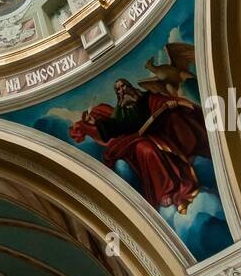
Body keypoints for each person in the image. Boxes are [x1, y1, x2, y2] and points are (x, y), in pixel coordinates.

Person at [71, 78, 211, 211]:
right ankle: (166, 191)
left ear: (130, 86)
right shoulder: (119, 112)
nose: (122, 91)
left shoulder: (147, 98)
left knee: (174, 120)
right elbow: (110, 129)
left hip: (157, 133)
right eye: (118, 89)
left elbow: (163, 102)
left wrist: (170, 104)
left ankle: (189, 152)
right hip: (133, 143)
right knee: (146, 149)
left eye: (123, 86)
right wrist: (93, 123)